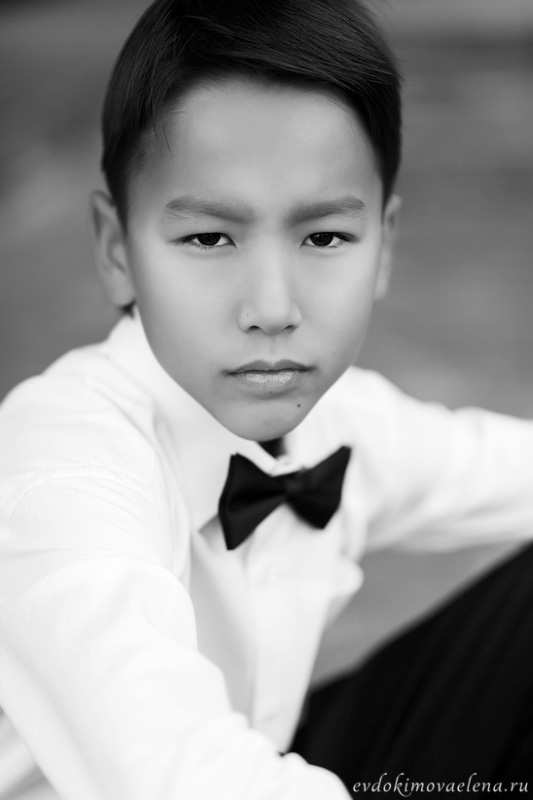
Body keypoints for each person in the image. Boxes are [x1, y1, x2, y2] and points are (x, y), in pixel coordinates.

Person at [0, 0, 531, 798]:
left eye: (324, 237)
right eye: (209, 238)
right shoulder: (60, 475)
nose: (272, 307)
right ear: (116, 250)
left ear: (383, 246)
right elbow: (182, 779)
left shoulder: (342, 422)